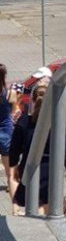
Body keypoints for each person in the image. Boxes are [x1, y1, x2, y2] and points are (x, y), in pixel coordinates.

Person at [10, 85, 66, 215]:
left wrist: (14, 203)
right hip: (52, 171)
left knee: (32, 204)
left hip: (28, 170)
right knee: (48, 206)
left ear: (32, 101)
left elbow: (13, 156)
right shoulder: (58, 123)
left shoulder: (23, 122)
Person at [0, 64, 19, 197]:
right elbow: (14, 111)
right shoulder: (10, 93)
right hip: (6, 129)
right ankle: (10, 182)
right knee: (7, 158)